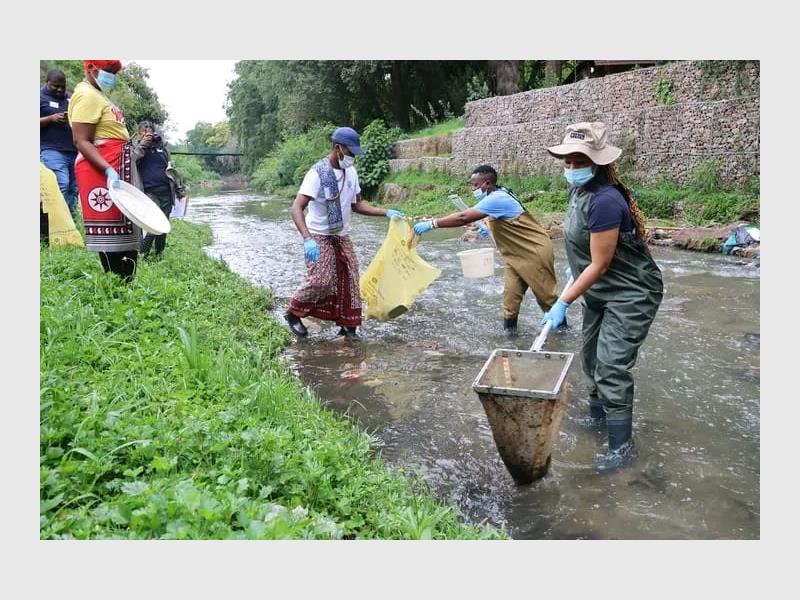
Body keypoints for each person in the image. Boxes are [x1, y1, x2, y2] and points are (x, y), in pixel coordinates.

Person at [543, 122, 663, 472]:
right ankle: (599, 422)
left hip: (631, 293)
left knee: (611, 366)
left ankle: (622, 450)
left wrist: (563, 301)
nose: (571, 168)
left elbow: (601, 262)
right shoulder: (577, 193)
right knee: (591, 358)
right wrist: (571, 276)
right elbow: (583, 251)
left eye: (578, 161)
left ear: (596, 161)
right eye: (567, 161)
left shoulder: (606, 201)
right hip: (598, 290)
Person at [285, 126, 405, 339]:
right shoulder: (317, 174)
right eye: (350, 153)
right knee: (322, 280)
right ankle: (293, 313)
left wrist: (385, 212)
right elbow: (297, 207)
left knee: (350, 279)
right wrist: (307, 239)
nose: (352, 158)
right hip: (318, 235)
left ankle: (348, 327)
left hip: (341, 235)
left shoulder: (351, 172)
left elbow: (357, 205)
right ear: (338, 148)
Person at [413, 164, 559, 338]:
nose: (473, 189)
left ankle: (562, 333)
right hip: (514, 256)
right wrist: (486, 227)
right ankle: (510, 338)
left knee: (547, 299)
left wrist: (432, 224)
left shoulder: (497, 198)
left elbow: (463, 217)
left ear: (487, 184)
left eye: (475, 185)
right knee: (510, 300)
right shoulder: (493, 197)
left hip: (534, 252)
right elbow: (499, 220)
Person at [69, 60, 143, 282]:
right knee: (111, 232)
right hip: (102, 170)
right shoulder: (87, 95)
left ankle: (126, 285)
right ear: (91, 68)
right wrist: (108, 169)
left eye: (114, 72)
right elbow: (81, 140)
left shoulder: (98, 94)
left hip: (117, 166)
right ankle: (117, 284)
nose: (112, 76)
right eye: (108, 71)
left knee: (125, 229)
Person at [132, 120, 185, 260]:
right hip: (149, 191)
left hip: (167, 190)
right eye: (145, 130)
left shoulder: (162, 147)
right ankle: (143, 253)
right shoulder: (136, 146)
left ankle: (159, 253)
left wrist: (179, 188)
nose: (148, 132)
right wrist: (144, 143)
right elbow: (133, 159)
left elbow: (171, 169)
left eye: (150, 129)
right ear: (139, 133)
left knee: (164, 223)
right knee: (155, 222)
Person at [40, 69, 78, 215]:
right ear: (47, 82)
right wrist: (51, 119)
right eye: (55, 86)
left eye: (62, 86)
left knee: (74, 189)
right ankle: (53, 224)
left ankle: (70, 225)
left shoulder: (70, 98)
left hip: (73, 150)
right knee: (61, 184)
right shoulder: (39, 97)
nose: (60, 89)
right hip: (51, 150)